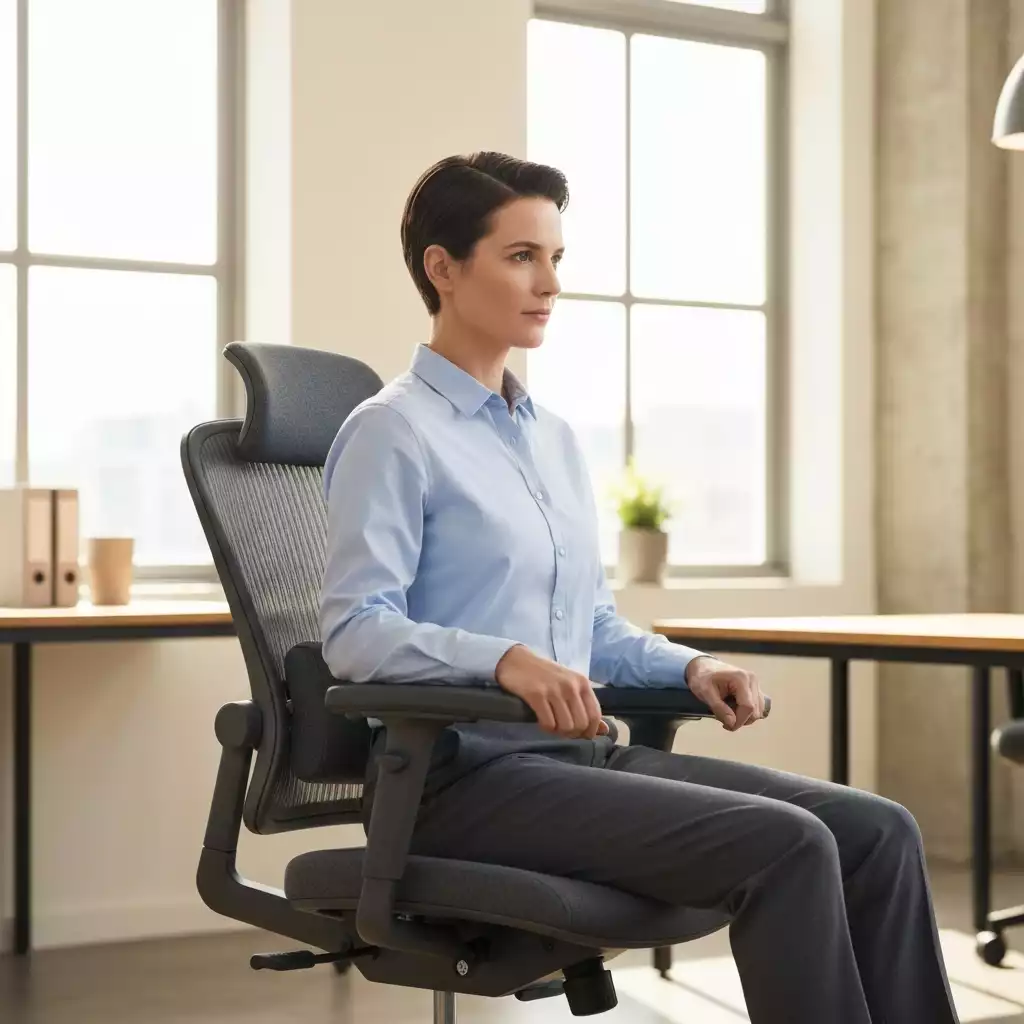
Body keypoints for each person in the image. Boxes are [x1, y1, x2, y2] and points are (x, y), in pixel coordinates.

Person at [318, 152, 959, 1024]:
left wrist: (689, 668)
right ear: (442, 267)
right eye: (520, 257)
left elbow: (588, 622)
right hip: (459, 784)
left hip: (576, 761)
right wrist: (502, 661)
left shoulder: (549, 438)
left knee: (880, 831)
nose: (548, 283)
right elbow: (355, 630)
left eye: (556, 258)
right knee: (790, 846)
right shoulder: (391, 432)